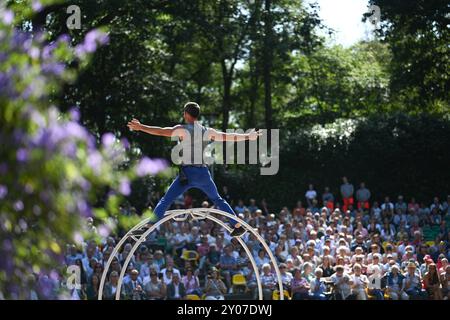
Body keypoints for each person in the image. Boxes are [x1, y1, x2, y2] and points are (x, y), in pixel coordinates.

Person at [127, 102, 262, 237]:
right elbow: (228, 136)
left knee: (166, 200)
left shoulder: (182, 129)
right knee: (218, 199)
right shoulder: (207, 131)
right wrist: (248, 136)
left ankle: (148, 228)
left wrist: (140, 127)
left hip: (188, 173)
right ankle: (237, 226)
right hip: (203, 173)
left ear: (185, 114)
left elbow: (160, 131)